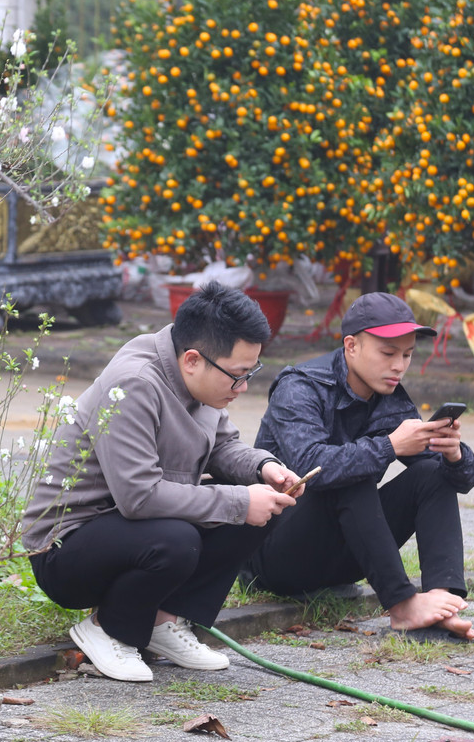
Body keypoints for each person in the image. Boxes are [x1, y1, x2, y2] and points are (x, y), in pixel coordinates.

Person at [21, 282, 304, 681]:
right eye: (237, 376)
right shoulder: (135, 382)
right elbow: (139, 496)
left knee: (266, 506)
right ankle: (107, 629)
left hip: (131, 527)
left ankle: (161, 621)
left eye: (250, 373)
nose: (243, 388)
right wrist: (239, 501)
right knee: (179, 537)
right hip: (67, 547)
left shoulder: (199, 380)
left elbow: (223, 447)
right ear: (192, 359)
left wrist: (265, 468)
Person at [243, 292, 474, 640]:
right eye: (388, 353)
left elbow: (456, 481)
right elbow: (311, 466)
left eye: (407, 354)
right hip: (274, 555)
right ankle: (402, 606)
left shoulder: (391, 399)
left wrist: (454, 455)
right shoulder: (300, 387)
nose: (399, 365)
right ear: (352, 346)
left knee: (432, 473)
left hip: (344, 559)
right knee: (350, 475)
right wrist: (389, 446)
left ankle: (444, 599)